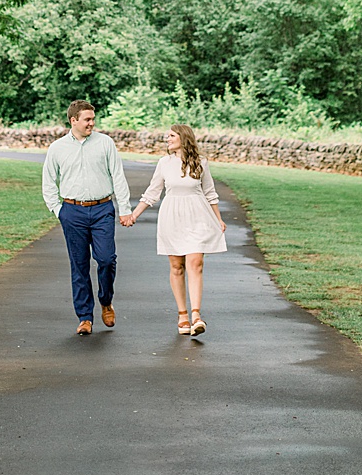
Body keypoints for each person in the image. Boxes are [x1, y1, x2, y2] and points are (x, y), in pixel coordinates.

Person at [123, 123, 227, 336]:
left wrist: (219, 219)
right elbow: (152, 193)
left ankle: (197, 315)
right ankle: (183, 315)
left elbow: (210, 192)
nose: (167, 139)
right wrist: (134, 214)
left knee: (195, 263)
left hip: (198, 215)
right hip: (172, 217)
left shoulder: (201, 162)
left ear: (183, 137)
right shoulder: (164, 163)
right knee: (177, 266)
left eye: (171, 136)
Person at [41, 99, 132, 335]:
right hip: (72, 212)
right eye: (87, 119)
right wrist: (58, 210)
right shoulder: (57, 148)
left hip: (102, 209)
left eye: (93, 119)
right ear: (74, 120)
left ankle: (105, 300)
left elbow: (118, 176)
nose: (92, 123)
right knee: (79, 265)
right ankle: (84, 317)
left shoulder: (105, 143)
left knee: (106, 259)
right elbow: (48, 181)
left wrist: (125, 208)